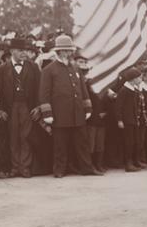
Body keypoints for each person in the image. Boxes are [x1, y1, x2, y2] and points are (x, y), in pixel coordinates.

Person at [39, 35, 101, 178]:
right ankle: (59, 170)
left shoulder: (75, 68)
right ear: (59, 51)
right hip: (60, 114)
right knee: (60, 144)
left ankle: (87, 168)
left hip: (77, 113)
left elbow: (83, 89)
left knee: (82, 143)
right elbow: (44, 94)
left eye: (69, 50)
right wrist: (47, 113)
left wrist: (87, 107)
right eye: (65, 50)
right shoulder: (49, 70)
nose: (68, 53)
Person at [0, 37, 41, 179]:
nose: (24, 53)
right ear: (12, 51)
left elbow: (39, 88)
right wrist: (1, 109)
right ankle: (15, 167)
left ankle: (25, 167)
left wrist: (38, 107)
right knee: (13, 136)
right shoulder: (2, 69)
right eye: (20, 50)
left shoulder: (33, 67)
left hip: (27, 106)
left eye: (25, 50)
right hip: (11, 107)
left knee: (26, 136)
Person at [77, 55, 107, 174]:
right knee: (91, 143)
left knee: (100, 143)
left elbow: (103, 99)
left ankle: (99, 164)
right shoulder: (84, 85)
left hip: (101, 116)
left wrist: (104, 111)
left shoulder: (98, 83)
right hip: (91, 117)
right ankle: (91, 166)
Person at [115, 67, 145, 172]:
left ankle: (136, 161)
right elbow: (118, 106)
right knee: (129, 142)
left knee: (136, 141)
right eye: (139, 78)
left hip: (134, 119)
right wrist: (119, 120)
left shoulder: (134, 90)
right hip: (127, 120)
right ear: (133, 79)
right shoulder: (124, 90)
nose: (140, 80)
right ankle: (128, 163)